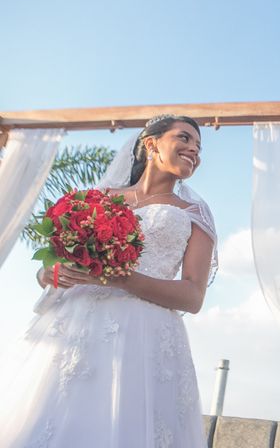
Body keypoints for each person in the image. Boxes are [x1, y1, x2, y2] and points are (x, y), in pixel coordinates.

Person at [0, 114, 218, 447]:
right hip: (76, 329)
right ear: (151, 143)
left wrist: (122, 279)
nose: (194, 151)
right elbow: (50, 265)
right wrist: (52, 273)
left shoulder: (194, 212)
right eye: (184, 138)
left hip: (145, 339)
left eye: (199, 147)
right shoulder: (98, 198)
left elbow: (193, 296)